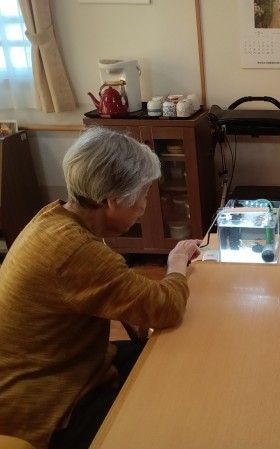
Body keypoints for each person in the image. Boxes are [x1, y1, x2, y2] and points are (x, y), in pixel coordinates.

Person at [0, 127, 202, 449]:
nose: (144, 206)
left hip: (70, 364)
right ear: (112, 200)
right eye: (143, 195)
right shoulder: (74, 251)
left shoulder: (54, 216)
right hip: (47, 400)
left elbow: (114, 293)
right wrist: (177, 262)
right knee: (170, 410)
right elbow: (166, 307)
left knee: (174, 360)